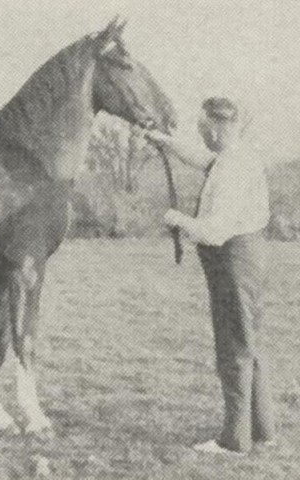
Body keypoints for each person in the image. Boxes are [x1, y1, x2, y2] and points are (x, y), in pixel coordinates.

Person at [145, 97, 276, 455]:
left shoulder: (232, 168)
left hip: (233, 262)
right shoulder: (235, 155)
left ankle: (234, 441)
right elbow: (205, 161)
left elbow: (214, 232)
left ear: (216, 129)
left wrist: (177, 220)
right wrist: (167, 143)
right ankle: (263, 429)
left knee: (233, 347)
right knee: (249, 342)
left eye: (203, 130)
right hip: (244, 260)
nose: (202, 135)